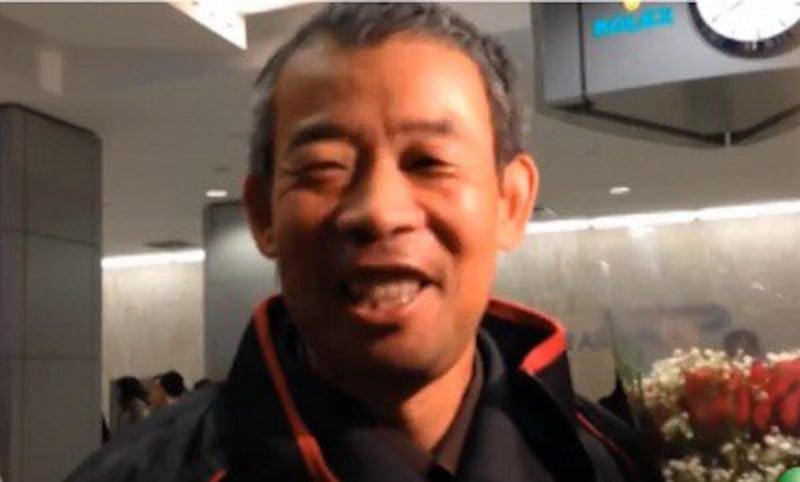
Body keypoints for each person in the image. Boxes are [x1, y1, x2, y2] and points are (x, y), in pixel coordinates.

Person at [66, 4, 662, 481]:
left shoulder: (620, 462)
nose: (379, 211)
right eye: (325, 166)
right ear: (261, 215)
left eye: (429, 160)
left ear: (511, 202)